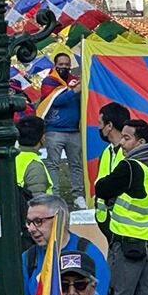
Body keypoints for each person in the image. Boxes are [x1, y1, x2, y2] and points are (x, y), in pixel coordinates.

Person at [95, 117, 148, 295]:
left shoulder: (131, 166)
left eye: (126, 138)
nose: (121, 143)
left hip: (127, 240)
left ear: (140, 142)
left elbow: (102, 188)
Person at [20, 193, 111, 295]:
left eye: (38, 221)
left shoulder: (88, 253)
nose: (31, 229)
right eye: (29, 222)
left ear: (60, 220)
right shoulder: (28, 258)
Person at [39, 50, 83, 202]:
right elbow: (54, 101)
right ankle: (55, 195)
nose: (64, 67)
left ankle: (78, 195)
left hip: (74, 131)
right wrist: (74, 91)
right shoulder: (49, 82)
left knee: (76, 164)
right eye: (61, 64)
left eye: (67, 64)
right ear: (55, 65)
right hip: (54, 131)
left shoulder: (76, 81)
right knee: (53, 164)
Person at [92, 102, 131, 237]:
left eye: (100, 123)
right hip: (107, 223)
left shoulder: (130, 152)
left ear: (109, 126)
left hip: (127, 226)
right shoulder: (107, 151)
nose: (98, 127)